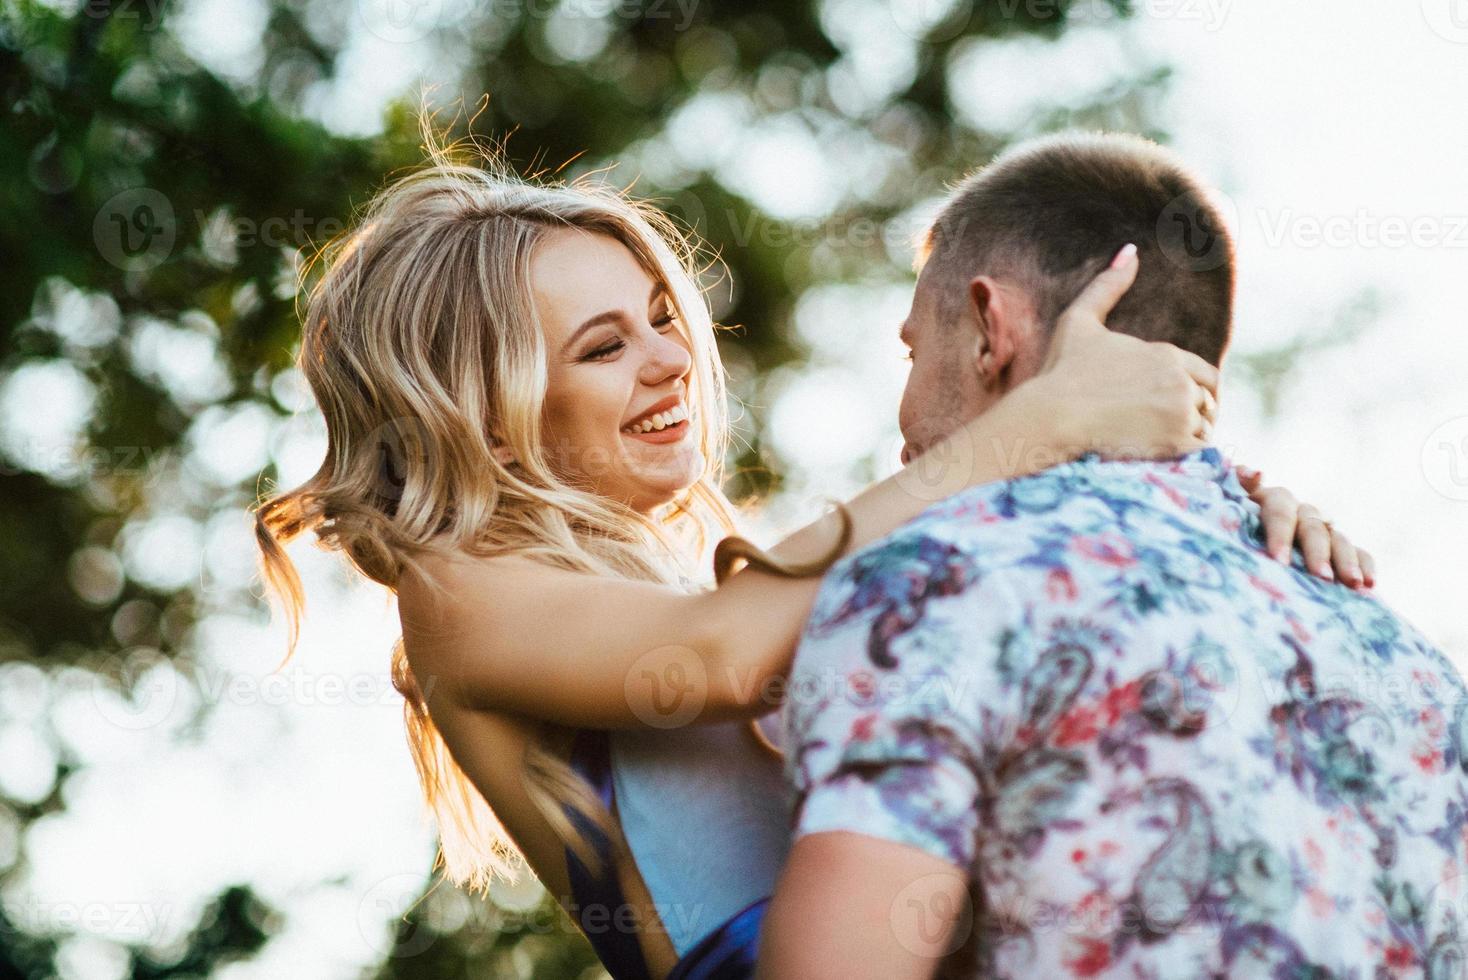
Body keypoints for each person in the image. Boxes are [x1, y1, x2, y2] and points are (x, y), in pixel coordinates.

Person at [252, 126, 1368, 978]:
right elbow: (713, 658)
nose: (669, 358)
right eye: (604, 345)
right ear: (487, 413)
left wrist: (1227, 513)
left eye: (658, 315)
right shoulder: (456, 594)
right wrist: (1032, 422)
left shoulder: (698, 581)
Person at [758, 132, 1456, 979]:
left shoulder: (933, 586)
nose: (903, 429)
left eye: (914, 351)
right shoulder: (1415, 663)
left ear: (991, 326)